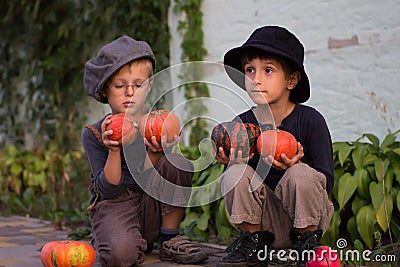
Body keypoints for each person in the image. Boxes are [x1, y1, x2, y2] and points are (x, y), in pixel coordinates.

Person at [82, 35, 208, 267]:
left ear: (149, 87)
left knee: (177, 162)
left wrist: (158, 153)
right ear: (104, 91)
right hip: (115, 205)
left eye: (138, 85)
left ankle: (169, 238)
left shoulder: (158, 124)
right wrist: (113, 151)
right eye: (120, 85)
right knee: (120, 257)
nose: (130, 92)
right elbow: (109, 190)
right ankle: (117, 237)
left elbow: (152, 180)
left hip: (151, 202)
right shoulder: (95, 134)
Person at [216, 26, 335, 267]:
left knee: (300, 173)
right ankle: (253, 243)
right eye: (250, 70)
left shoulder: (311, 120)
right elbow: (239, 185)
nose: (256, 79)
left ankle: (307, 247)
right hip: (264, 222)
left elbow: (327, 181)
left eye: (267, 70)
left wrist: (297, 166)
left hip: (305, 219)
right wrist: (233, 161)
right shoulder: (241, 125)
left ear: (291, 80)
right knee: (236, 173)